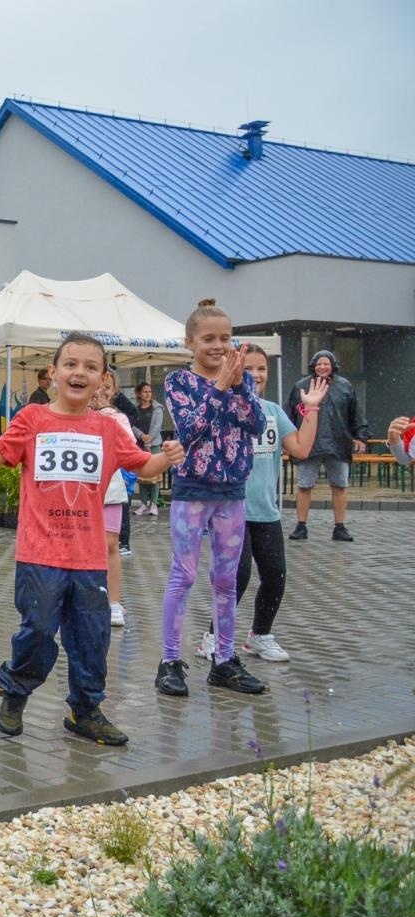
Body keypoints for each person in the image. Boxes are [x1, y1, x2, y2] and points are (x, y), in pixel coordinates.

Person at [0, 334, 180, 745]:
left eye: (90, 367)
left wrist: (169, 456)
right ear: (53, 372)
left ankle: (85, 710)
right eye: (71, 364)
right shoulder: (32, 418)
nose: (80, 373)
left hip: (90, 557)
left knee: (93, 636)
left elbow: (144, 466)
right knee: (37, 630)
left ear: (103, 379)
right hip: (39, 552)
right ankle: (15, 692)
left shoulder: (108, 427)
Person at [157, 299, 268, 700]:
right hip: (193, 490)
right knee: (183, 575)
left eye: (225, 337)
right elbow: (189, 430)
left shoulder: (245, 382)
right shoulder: (178, 383)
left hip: (231, 492)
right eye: (209, 338)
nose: (218, 345)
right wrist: (220, 386)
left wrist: (238, 384)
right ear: (190, 342)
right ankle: (170, 662)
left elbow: (255, 422)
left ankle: (224, 661)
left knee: (226, 579)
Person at [197, 346, 327, 665]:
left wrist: (311, 409)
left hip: (266, 511)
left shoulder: (272, 411)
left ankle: (259, 635)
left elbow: (301, 448)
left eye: (262, 369)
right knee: (235, 576)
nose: (256, 375)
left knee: (275, 575)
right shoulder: (222, 407)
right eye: (249, 368)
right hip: (230, 510)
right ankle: (212, 636)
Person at [286, 350, 369, 542]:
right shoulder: (301, 386)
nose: (322, 367)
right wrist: (288, 440)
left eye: (326, 363)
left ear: (333, 365)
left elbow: (355, 413)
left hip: (338, 443)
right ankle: (301, 526)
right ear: (313, 366)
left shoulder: (345, 387)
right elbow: (289, 414)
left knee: (339, 485)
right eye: (319, 364)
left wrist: (361, 436)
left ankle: (340, 527)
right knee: (304, 485)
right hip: (308, 444)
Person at [88, 372, 135, 627]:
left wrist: (105, 412)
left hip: (110, 490)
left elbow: (128, 447)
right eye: (98, 387)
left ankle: (114, 602)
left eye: (107, 388)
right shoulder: (78, 413)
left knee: (110, 545)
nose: (101, 392)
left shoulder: (117, 417)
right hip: (81, 490)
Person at [127, 381, 165, 516]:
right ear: (139, 393)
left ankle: (154, 504)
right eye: (145, 392)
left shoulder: (158, 408)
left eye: (149, 391)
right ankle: (143, 503)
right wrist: (141, 435)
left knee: (154, 476)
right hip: (139, 444)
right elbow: (131, 424)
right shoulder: (134, 408)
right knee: (142, 475)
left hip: (154, 444)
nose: (147, 394)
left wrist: (149, 439)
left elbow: (157, 425)